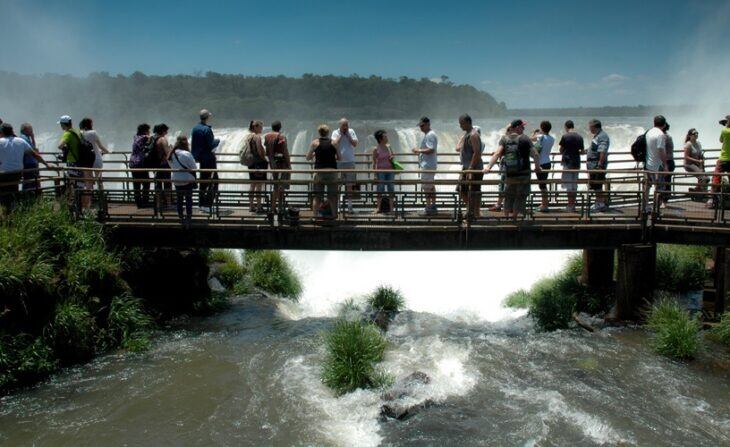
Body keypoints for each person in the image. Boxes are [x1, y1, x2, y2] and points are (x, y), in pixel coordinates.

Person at [486, 119, 541, 219]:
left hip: (510, 173)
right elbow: (536, 154)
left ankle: (506, 217)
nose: (524, 129)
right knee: (520, 196)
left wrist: (488, 167)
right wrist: (537, 167)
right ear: (517, 127)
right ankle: (514, 217)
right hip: (524, 173)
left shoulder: (504, 139)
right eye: (522, 127)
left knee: (508, 196)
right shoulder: (525, 139)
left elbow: (497, 153)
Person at [0, 123, 47, 213]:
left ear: (1, 132)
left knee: (5, 192)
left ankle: (6, 211)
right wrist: (47, 165)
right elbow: (35, 154)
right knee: (12, 190)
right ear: (12, 131)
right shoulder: (20, 141)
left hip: (3, 175)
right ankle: (13, 209)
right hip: (17, 174)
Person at [57, 115, 93, 210]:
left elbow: (60, 146)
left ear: (63, 125)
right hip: (80, 162)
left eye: (61, 125)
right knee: (80, 185)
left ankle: (72, 206)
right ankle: (83, 207)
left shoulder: (67, 134)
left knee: (71, 184)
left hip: (72, 163)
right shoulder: (77, 132)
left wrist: (65, 148)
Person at [307, 124, 341, 219]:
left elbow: (307, 157)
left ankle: (315, 215)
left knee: (317, 196)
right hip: (332, 172)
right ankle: (334, 216)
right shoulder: (334, 143)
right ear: (328, 133)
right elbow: (340, 157)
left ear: (319, 133)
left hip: (319, 173)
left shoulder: (315, 143)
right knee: (332, 196)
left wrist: (315, 154)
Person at [191, 109, 220, 213]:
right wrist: (218, 141)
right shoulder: (207, 130)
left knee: (203, 181)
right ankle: (208, 204)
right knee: (214, 181)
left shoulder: (195, 129)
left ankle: (201, 203)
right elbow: (211, 145)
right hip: (209, 158)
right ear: (207, 117)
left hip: (200, 158)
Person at [456, 114, 484, 219]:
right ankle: (470, 209)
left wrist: (471, 169)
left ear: (467, 122)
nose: (460, 126)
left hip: (474, 168)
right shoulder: (468, 134)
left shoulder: (473, 135)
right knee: (461, 189)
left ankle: (474, 212)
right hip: (467, 167)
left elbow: (477, 153)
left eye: (461, 123)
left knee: (474, 191)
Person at [411, 116, 438, 215]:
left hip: (428, 165)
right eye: (420, 126)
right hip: (429, 164)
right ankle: (432, 206)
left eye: (422, 126)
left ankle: (429, 208)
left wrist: (418, 150)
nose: (420, 128)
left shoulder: (430, 135)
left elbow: (431, 149)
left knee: (426, 187)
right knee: (430, 185)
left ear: (428, 124)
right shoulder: (429, 134)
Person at [168, 134, 197, 223]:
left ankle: (180, 215)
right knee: (188, 199)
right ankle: (189, 216)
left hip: (176, 180)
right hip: (187, 180)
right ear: (186, 144)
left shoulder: (171, 154)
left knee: (179, 198)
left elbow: (171, 166)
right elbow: (194, 168)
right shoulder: (187, 154)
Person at [264, 120, 291, 216]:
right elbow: (285, 151)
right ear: (280, 127)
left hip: (272, 163)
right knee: (281, 186)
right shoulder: (281, 137)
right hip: (281, 164)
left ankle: (273, 207)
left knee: (275, 185)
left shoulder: (267, 136)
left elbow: (266, 149)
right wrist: (289, 164)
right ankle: (279, 208)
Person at [331, 118, 359, 213]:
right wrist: (341, 136)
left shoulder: (351, 131)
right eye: (344, 125)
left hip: (350, 162)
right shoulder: (335, 132)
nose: (345, 127)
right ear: (340, 125)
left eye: (347, 125)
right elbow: (333, 144)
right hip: (339, 162)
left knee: (350, 185)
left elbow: (355, 144)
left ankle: (349, 206)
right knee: (338, 184)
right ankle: (338, 205)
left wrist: (348, 136)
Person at [558, 120, 585, 212]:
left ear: (566, 127)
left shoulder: (565, 136)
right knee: (574, 185)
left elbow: (560, 150)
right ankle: (572, 205)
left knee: (569, 185)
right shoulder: (580, 137)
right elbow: (582, 151)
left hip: (567, 163)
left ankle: (570, 205)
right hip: (577, 163)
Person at [645, 115, 669, 211]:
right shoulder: (660, 134)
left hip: (648, 164)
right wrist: (665, 164)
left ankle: (646, 206)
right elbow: (660, 149)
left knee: (647, 186)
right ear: (664, 124)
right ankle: (656, 208)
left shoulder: (649, 132)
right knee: (659, 187)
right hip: (657, 165)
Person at [79, 118, 111, 191]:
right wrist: (108, 152)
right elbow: (100, 146)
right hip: (96, 158)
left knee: (89, 181)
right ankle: (101, 196)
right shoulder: (93, 133)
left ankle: (91, 198)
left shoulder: (81, 133)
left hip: (86, 160)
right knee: (99, 180)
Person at [587, 119, 610, 212]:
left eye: (590, 127)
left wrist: (600, 164)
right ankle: (598, 201)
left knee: (598, 184)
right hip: (593, 164)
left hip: (597, 164)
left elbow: (602, 150)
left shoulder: (602, 136)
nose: (589, 129)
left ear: (594, 127)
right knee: (595, 184)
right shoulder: (597, 136)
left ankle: (600, 203)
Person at [531, 121, 555, 212]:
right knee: (543, 184)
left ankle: (545, 205)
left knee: (542, 185)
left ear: (541, 127)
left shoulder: (540, 137)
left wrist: (535, 133)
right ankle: (544, 203)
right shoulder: (552, 138)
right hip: (548, 162)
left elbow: (529, 139)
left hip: (541, 163)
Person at [245, 120, 268, 213]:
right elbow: (259, 150)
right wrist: (264, 159)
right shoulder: (257, 137)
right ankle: (259, 207)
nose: (262, 129)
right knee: (259, 185)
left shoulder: (248, 137)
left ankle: (251, 206)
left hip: (251, 163)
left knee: (252, 185)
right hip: (258, 163)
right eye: (261, 127)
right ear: (255, 127)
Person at [372, 129, 396, 214]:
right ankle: (378, 208)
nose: (387, 137)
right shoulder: (376, 149)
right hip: (380, 171)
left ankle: (392, 209)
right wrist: (375, 175)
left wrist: (392, 158)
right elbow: (374, 163)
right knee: (380, 188)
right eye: (385, 136)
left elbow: (393, 157)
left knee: (391, 188)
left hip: (390, 170)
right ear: (380, 138)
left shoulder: (389, 147)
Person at [709, 115, 730, 208]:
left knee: (716, 178)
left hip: (723, 159)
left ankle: (712, 200)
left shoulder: (724, 130)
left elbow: (721, 140)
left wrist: (726, 125)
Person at [150, 124, 173, 209]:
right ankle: (169, 204)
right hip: (164, 164)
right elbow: (167, 154)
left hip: (156, 164)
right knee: (167, 183)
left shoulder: (153, 138)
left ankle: (158, 204)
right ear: (163, 130)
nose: (167, 132)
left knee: (158, 183)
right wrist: (171, 148)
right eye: (166, 130)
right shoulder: (163, 139)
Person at [130, 123, 152, 208]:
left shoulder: (135, 137)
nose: (149, 132)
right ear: (145, 130)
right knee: (146, 182)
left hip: (132, 162)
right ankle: (145, 202)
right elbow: (151, 139)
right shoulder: (145, 137)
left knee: (136, 183)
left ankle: (138, 203)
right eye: (148, 130)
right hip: (140, 163)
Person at [19, 123, 41, 195]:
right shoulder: (24, 138)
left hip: (30, 163)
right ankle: (27, 198)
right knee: (29, 182)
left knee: (31, 182)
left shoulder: (26, 138)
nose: (32, 130)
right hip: (29, 163)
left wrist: (33, 138)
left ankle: (29, 197)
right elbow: (34, 150)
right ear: (25, 130)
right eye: (30, 129)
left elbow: (33, 149)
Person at [660, 124, 676, 207]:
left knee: (665, 182)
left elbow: (660, 149)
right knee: (666, 182)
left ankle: (664, 201)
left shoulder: (664, 137)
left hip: (667, 163)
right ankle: (663, 201)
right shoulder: (667, 136)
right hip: (669, 162)